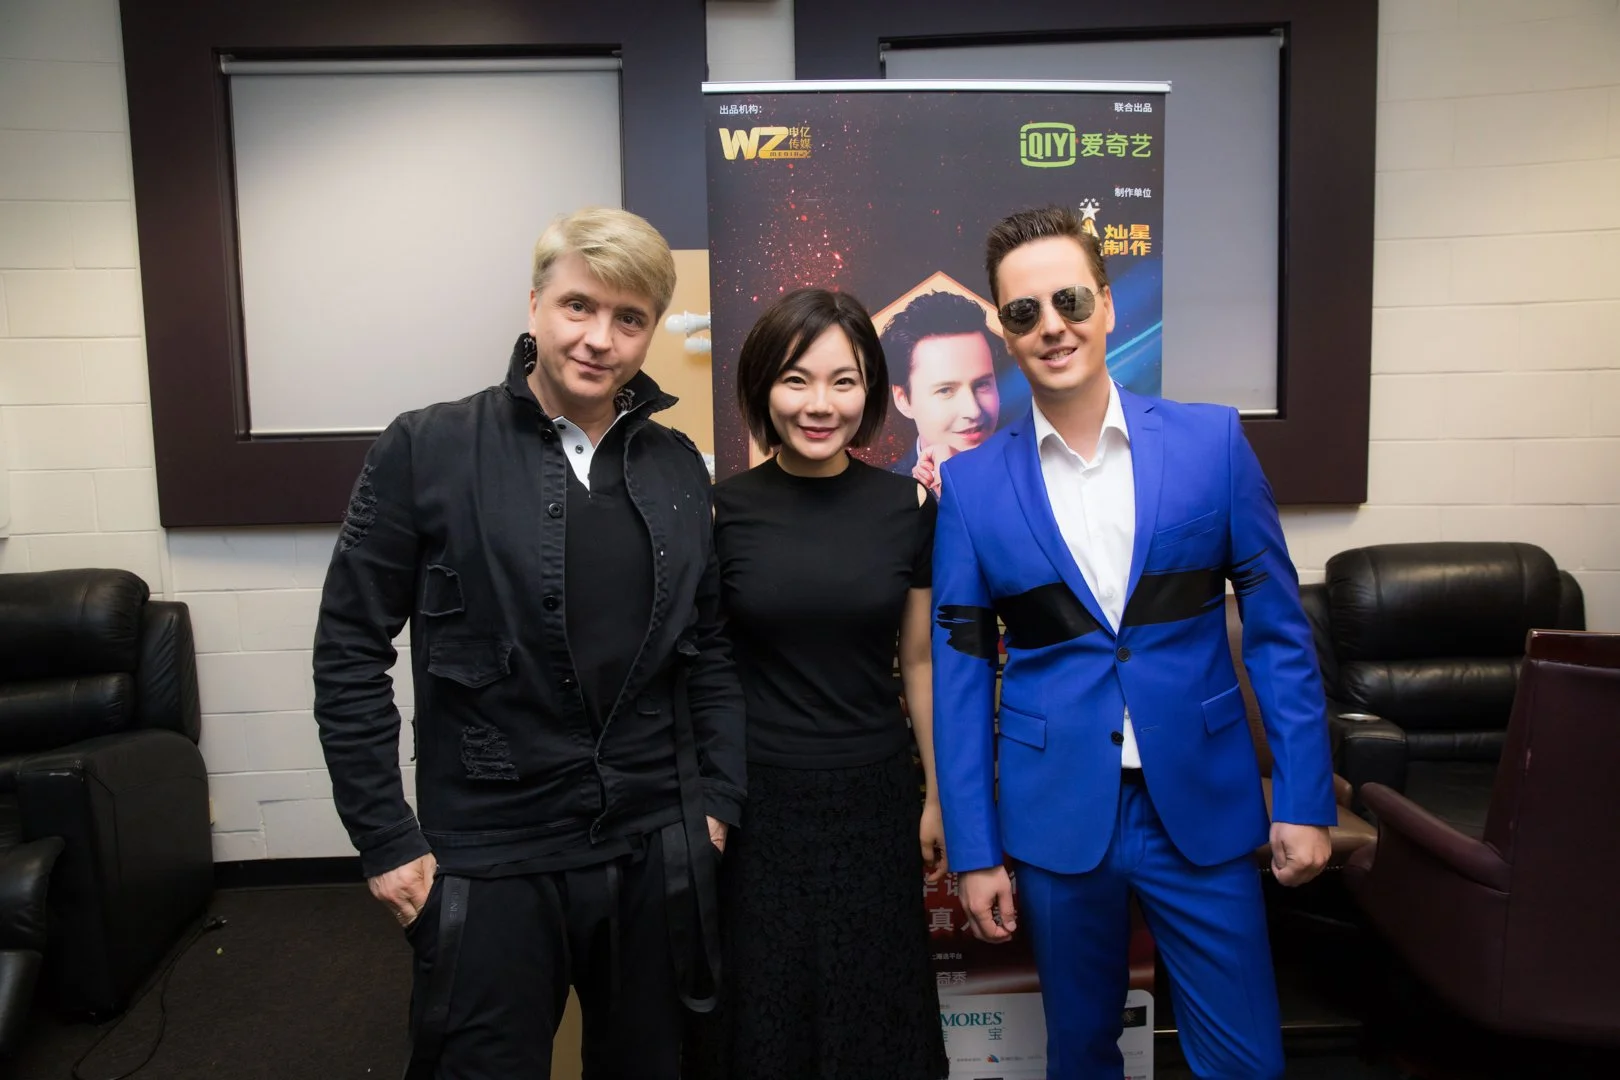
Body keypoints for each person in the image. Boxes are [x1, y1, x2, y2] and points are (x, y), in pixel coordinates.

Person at [312, 207, 746, 1080]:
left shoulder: (677, 468)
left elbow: (710, 652)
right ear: (536, 304)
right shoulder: (427, 448)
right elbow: (350, 647)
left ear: (651, 331)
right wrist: (386, 837)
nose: (599, 339)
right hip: (489, 849)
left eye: (629, 320)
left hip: (652, 838)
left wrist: (717, 808)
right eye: (579, 307)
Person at [931, 206, 1335, 1079]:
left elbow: (1278, 634)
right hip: (1054, 816)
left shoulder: (1211, 442)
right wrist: (973, 850)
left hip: (1204, 803)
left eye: (1070, 299)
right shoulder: (969, 488)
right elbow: (961, 678)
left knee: (1244, 1059)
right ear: (1005, 332)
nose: (1052, 326)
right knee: (1079, 1053)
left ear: (1108, 305)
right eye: (1023, 312)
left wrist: (1303, 794)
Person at [688, 287, 949, 1080]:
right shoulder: (715, 512)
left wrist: (938, 794)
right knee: (767, 1008)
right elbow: (704, 670)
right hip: (758, 807)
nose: (819, 404)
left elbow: (919, 663)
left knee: (876, 1008)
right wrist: (707, 797)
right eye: (796, 380)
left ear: (872, 390)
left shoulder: (909, 505)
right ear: (764, 387)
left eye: (843, 381)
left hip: (873, 798)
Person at [881, 290, 1003, 496]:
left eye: (982, 385)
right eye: (946, 390)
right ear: (903, 400)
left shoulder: (1035, 470)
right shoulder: (883, 497)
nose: (973, 410)